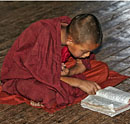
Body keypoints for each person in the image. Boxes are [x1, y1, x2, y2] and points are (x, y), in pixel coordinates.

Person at [0, 14, 128, 112]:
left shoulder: (70, 30)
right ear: (70, 40)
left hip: (55, 71)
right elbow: (45, 76)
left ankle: (68, 84)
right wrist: (79, 82)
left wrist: (72, 71)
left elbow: (82, 63)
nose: (87, 55)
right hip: (27, 76)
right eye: (84, 51)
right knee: (46, 94)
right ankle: (21, 89)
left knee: (102, 69)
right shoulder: (44, 36)